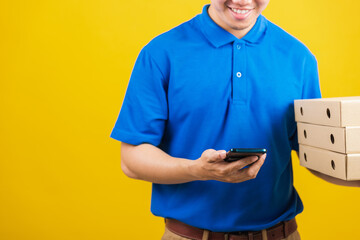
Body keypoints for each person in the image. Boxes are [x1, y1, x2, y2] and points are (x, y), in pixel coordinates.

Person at [111, 1, 360, 239]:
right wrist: (197, 170)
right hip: (188, 236)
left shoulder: (299, 57)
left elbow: (317, 155)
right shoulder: (160, 53)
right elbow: (132, 160)